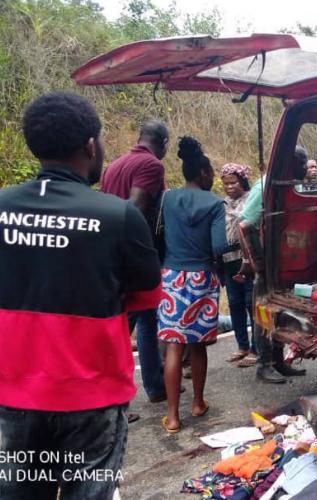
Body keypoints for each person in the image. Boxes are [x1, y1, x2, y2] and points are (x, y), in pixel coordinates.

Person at [0, 92, 161, 499]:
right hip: (92, 395)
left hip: (11, 390)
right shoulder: (118, 215)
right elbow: (146, 297)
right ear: (91, 144)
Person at [158, 137, 227, 433]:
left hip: (171, 277)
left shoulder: (168, 198)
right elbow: (219, 246)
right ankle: (197, 403)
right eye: (211, 172)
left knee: (174, 346)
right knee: (198, 346)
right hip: (202, 277)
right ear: (202, 173)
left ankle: (173, 417)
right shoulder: (214, 203)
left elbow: (159, 234)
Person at [100, 119, 169, 405]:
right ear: (163, 142)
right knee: (128, 323)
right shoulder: (152, 166)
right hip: (135, 256)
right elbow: (136, 208)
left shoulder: (114, 166)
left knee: (143, 319)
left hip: (111, 252)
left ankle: (154, 385)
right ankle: (106, 393)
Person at [240, 146, 309, 383]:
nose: (305, 169)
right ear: (291, 163)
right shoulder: (266, 186)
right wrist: (255, 263)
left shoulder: (289, 184)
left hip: (284, 261)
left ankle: (279, 361)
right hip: (267, 262)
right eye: (302, 164)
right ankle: (264, 365)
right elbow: (245, 225)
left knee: (280, 312)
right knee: (263, 312)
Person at [219, 162, 257, 367]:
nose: (229, 187)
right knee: (234, 303)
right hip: (228, 261)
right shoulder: (222, 204)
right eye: (225, 183)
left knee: (251, 303)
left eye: (233, 182)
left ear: (242, 181)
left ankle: (255, 348)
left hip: (248, 260)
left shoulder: (251, 199)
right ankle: (242, 346)